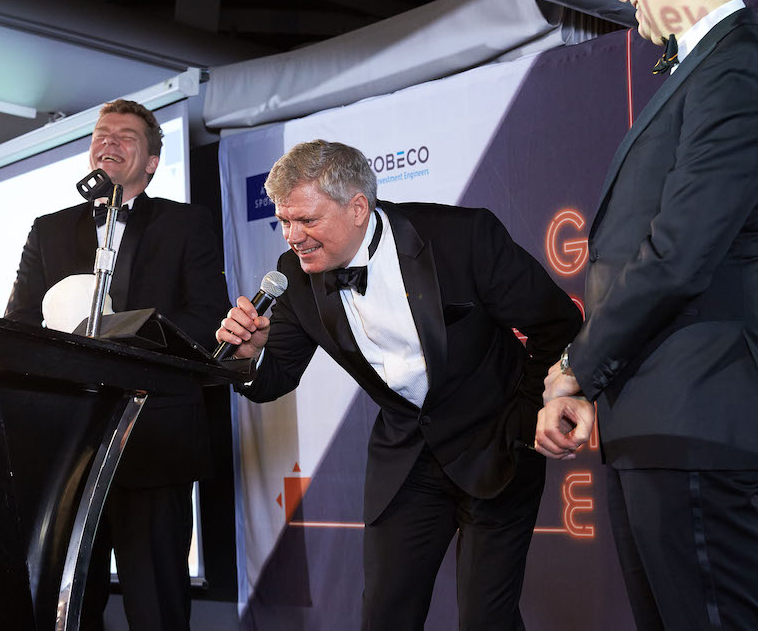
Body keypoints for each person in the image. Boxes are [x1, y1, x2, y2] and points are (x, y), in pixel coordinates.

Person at [535, 0, 758, 629]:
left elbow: (677, 255)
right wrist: (590, 381)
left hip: (694, 412)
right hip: (655, 419)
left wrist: (576, 366)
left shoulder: (741, 69)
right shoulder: (706, 68)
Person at [216, 140, 581, 630]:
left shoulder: (461, 237)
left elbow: (557, 325)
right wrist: (249, 357)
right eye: (283, 221)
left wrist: (525, 416)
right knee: (385, 616)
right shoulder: (293, 276)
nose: (292, 237)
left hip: (496, 443)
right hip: (408, 458)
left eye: (306, 220)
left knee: (485, 620)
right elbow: (273, 378)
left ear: (357, 208)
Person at [6, 99, 229, 630]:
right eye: (101, 134)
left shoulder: (186, 224)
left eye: (125, 135)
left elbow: (207, 319)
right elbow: (20, 324)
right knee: (66, 609)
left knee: (156, 608)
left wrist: (124, 337)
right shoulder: (48, 230)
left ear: (151, 162)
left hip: (155, 439)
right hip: (69, 448)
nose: (108, 140)